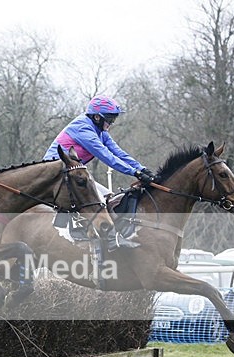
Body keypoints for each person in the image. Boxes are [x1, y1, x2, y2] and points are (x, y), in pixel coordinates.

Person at [44, 95, 156, 250]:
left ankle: (108, 239)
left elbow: (118, 153)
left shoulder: (99, 131)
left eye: (113, 119)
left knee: (109, 197)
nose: (111, 123)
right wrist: (134, 173)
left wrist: (141, 168)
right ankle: (99, 239)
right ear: (97, 117)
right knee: (97, 200)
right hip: (56, 173)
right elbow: (107, 156)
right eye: (109, 119)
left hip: (72, 173)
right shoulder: (83, 128)